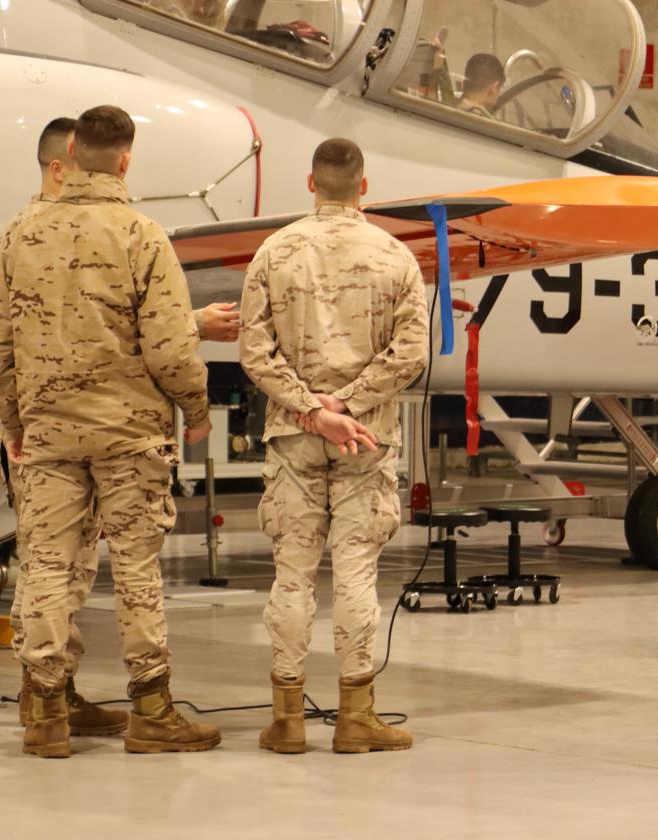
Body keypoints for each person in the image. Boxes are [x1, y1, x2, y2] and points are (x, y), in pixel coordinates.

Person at [0, 117, 240, 742]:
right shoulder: (142, 235)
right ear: (125, 164)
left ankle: (46, 710)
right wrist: (197, 411)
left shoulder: (17, 235)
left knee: (46, 566)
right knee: (135, 569)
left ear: (70, 154)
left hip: (47, 433)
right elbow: (167, 348)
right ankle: (152, 713)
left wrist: (13, 423)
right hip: (129, 435)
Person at [239, 138, 429, 755]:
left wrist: (311, 409)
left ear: (310, 183)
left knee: (291, 575)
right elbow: (411, 353)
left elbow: (254, 352)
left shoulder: (274, 252)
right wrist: (346, 405)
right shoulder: (397, 258)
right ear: (364, 186)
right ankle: (355, 718)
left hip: (295, 436)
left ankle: (288, 720)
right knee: (355, 574)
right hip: (366, 438)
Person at [460, 52, 506, 119]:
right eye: (499, 90)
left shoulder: (446, 113)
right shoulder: (484, 127)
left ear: (462, 84)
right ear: (494, 88)